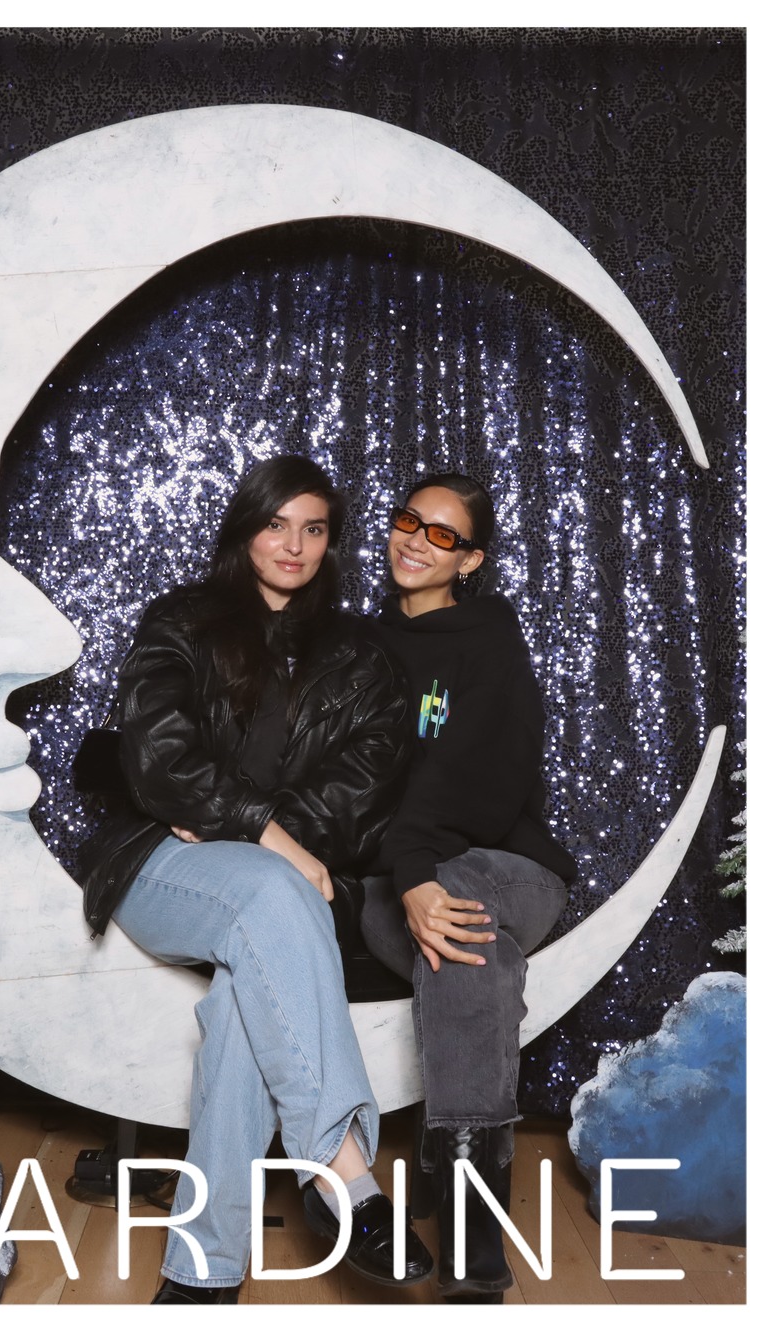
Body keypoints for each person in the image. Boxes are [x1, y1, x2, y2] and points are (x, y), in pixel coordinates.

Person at [80, 455, 434, 1303]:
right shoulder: (181, 621)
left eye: (313, 529)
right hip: (162, 867)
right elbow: (158, 758)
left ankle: (200, 1279)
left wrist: (236, 822)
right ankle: (344, 1174)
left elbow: (360, 798)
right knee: (278, 893)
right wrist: (267, 832)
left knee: (251, 992)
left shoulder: (363, 658)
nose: (293, 545)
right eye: (277, 525)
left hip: (279, 896)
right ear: (247, 529)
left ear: (331, 543)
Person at [361, 472, 577, 1304]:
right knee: (468, 937)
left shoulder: (492, 645)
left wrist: (419, 870)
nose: (418, 541)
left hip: (508, 866)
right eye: (410, 521)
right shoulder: (355, 648)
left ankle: (462, 1204)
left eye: (444, 535)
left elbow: (481, 783)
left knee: (463, 908)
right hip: (398, 882)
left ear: (471, 560)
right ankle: (470, 1213)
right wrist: (408, 876)